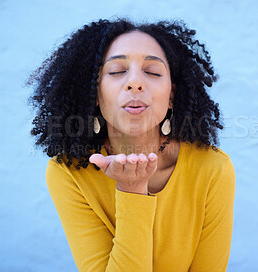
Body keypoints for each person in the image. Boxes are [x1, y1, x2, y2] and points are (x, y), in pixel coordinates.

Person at [27, 18, 236, 272]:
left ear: (171, 96)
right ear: (94, 94)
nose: (135, 82)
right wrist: (132, 189)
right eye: (116, 71)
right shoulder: (69, 172)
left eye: (153, 72)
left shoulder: (213, 169)